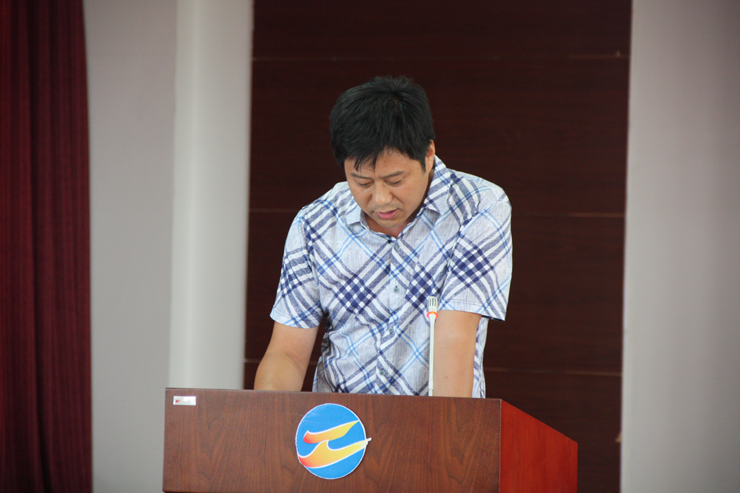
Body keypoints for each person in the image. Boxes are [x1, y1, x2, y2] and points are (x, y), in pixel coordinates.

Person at [254, 76, 512, 398]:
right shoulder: (315, 223)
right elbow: (287, 352)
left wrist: (446, 429)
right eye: (362, 182)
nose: (380, 199)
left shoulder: (477, 207)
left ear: (428, 154)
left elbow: (454, 338)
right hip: (339, 426)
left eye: (395, 180)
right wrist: (267, 418)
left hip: (433, 419)